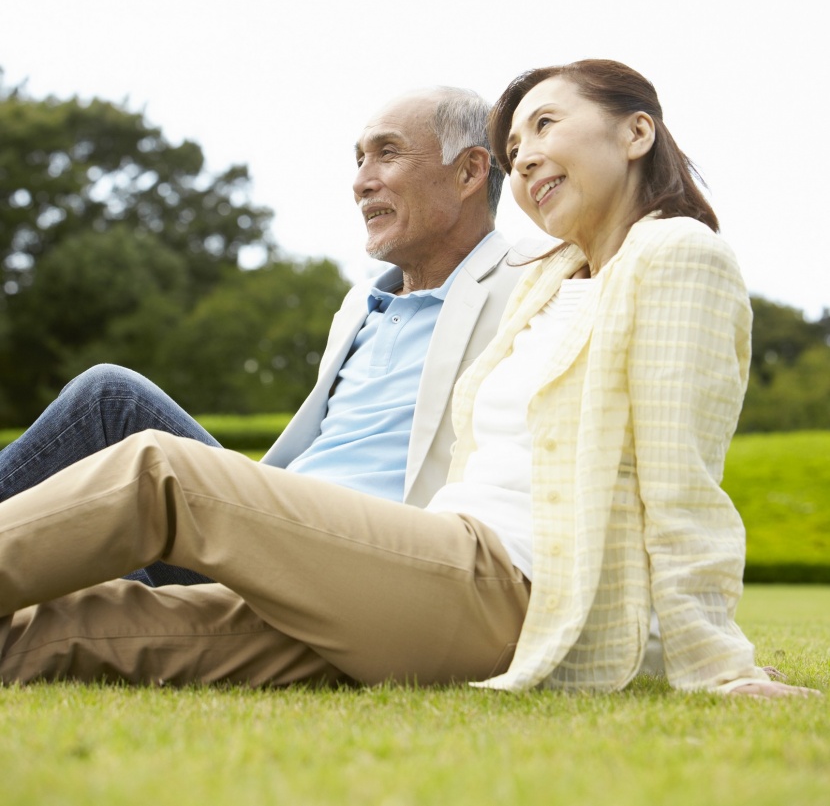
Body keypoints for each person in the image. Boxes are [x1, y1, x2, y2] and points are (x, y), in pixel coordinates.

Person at [0, 61, 815, 696]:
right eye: (516, 146)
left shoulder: (676, 255)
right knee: (55, 632)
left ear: (635, 133)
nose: (525, 154)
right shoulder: (555, 283)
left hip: (502, 583)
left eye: (545, 124)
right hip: (415, 586)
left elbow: (682, 479)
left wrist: (712, 658)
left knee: (160, 468)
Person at [0, 86, 532, 589]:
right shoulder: (359, 307)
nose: (361, 182)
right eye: (359, 160)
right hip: (269, 533)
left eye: (387, 154)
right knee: (85, 563)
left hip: (355, 561)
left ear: (468, 171)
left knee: (110, 399)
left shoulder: (532, 286)